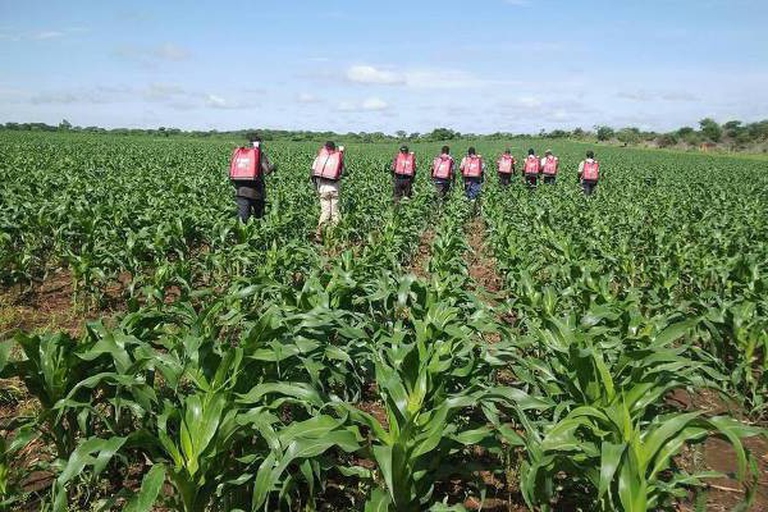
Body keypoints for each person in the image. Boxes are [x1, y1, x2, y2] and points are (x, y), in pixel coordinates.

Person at [229, 135, 275, 222]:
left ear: (249, 143)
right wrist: (273, 167)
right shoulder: (259, 154)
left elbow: (231, 172)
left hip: (241, 192)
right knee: (260, 217)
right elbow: (267, 170)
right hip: (256, 192)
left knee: (243, 220)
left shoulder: (240, 154)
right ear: (260, 144)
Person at [311, 141, 345, 237]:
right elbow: (344, 172)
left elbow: (312, 174)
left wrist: (316, 187)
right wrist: (342, 156)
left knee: (325, 212)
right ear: (334, 149)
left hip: (323, 189)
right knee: (335, 212)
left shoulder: (319, 158)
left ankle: (319, 233)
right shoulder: (337, 158)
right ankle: (333, 234)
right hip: (334, 189)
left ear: (325, 148)